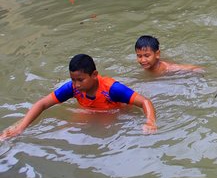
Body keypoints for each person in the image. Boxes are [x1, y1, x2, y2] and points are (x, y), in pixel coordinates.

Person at [0, 54, 157, 140]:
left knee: (103, 132)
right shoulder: (72, 88)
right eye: (73, 79)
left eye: (80, 80)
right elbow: (42, 104)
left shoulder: (112, 89)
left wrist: (150, 122)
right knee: (61, 131)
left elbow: (144, 102)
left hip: (115, 114)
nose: (76, 84)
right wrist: (20, 128)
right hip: (88, 112)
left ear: (94, 75)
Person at [135, 35, 203, 75]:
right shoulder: (146, 65)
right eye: (139, 56)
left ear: (157, 54)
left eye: (147, 56)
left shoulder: (168, 69)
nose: (143, 60)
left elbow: (196, 68)